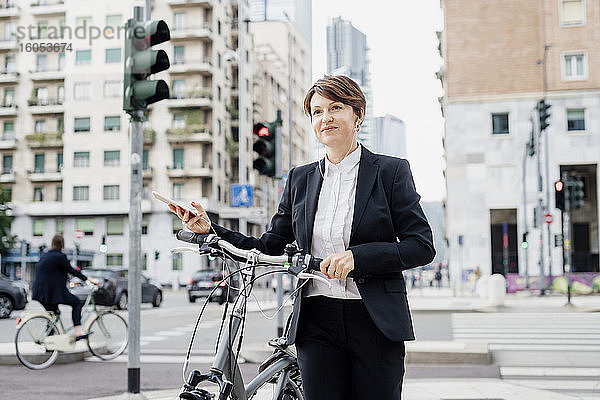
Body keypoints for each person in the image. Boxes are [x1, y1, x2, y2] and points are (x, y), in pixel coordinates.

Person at [171, 75, 435, 400]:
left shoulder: (390, 172)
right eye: (317, 111)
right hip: (316, 320)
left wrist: (358, 257)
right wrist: (210, 229)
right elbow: (268, 245)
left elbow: (421, 245)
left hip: (374, 319)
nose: (326, 118)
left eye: (336, 108)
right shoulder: (300, 178)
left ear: (358, 114)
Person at [32, 234, 100, 340]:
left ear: (52, 243)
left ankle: (50, 344)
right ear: (62, 245)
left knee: (53, 316)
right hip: (52, 293)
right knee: (76, 303)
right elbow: (72, 270)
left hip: (39, 292)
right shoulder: (60, 257)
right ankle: (78, 332)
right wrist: (89, 279)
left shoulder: (45, 255)